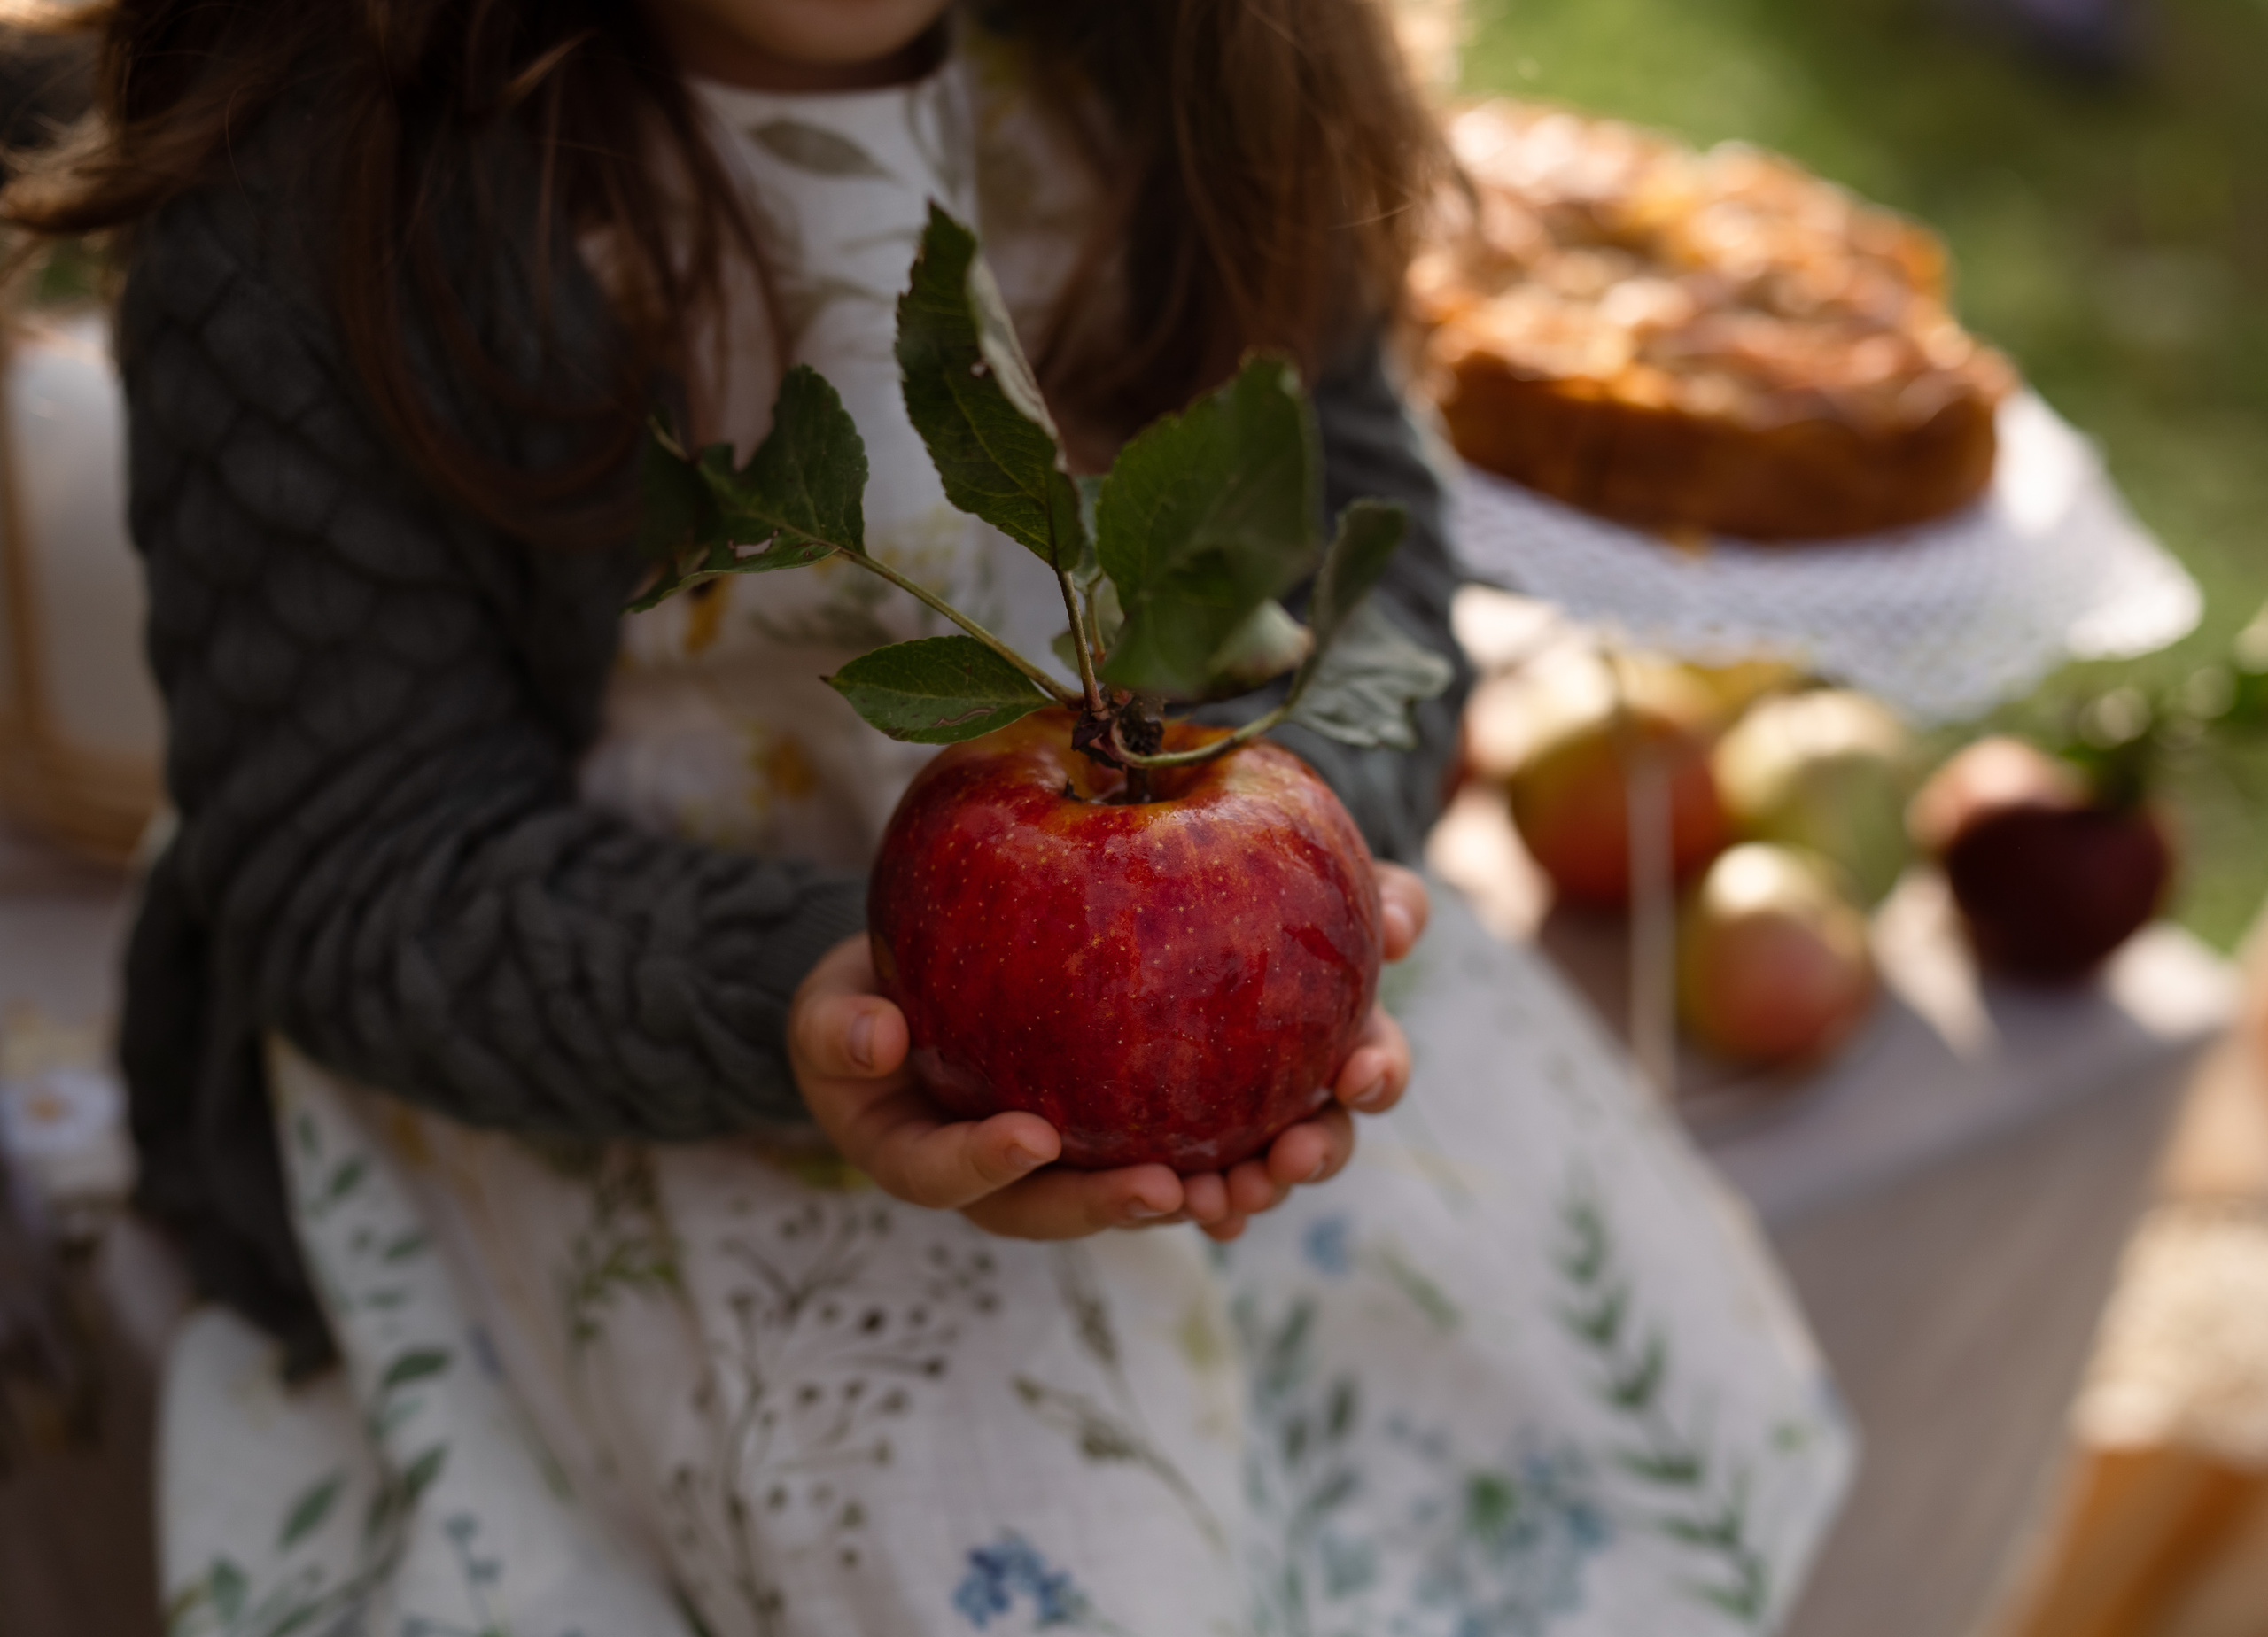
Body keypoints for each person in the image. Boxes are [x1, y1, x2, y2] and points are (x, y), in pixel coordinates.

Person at [8, 3, 1852, 1633]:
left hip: (1163, 940)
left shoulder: (1204, 62)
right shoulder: (322, 166)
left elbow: (1359, 564)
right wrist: (812, 1005)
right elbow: (365, 858)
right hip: (606, 994)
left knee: (1571, 1403)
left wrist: (1279, 878)